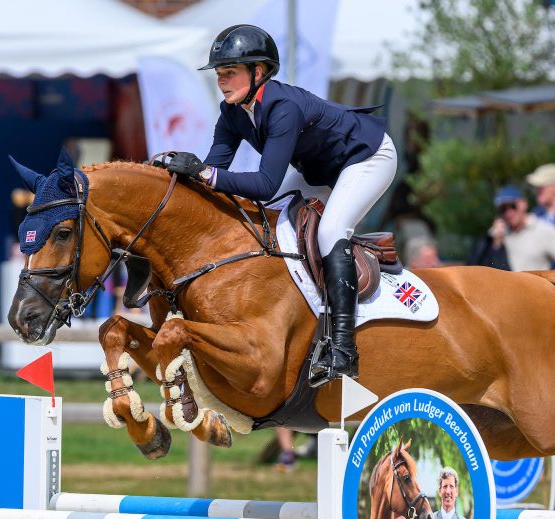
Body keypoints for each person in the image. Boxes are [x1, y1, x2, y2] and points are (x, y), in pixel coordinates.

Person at [165, 23, 396, 387]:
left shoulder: (283, 107)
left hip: (367, 157)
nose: (222, 81)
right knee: (268, 221)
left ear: (258, 72)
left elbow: (264, 183)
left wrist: (205, 173)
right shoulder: (233, 113)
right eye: (219, 74)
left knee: (333, 230)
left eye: (230, 72)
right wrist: (176, 175)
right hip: (320, 169)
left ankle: (343, 348)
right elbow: (215, 171)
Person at [487, 186, 555, 272]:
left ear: (524, 204)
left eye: (512, 206)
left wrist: (551, 285)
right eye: (503, 209)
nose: (508, 213)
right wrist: (496, 243)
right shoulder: (497, 234)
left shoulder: (543, 229)